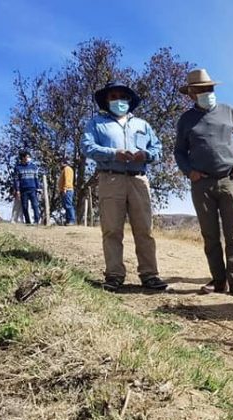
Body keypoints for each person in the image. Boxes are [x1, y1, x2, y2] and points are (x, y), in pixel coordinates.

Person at [174, 68, 233, 298]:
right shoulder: (185, 120)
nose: (207, 93)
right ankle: (219, 280)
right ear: (191, 94)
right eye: (201, 90)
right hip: (201, 185)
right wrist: (188, 171)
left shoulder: (228, 111)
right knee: (210, 235)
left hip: (230, 180)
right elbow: (179, 151)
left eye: (209, 88)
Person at [81, 81, 167, 292]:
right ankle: (114, 275)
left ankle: (150, 274)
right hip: (110, 179)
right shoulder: (96, 123)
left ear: (129, 100)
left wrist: (145, 155)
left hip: (139, 179)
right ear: (106, 100)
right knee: (111, 229)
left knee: (145, 229)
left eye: (122, 96)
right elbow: (87, 146)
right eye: (113, 96)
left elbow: (158, 149)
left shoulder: (143, 125)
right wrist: (114, 153)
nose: (118, 100)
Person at [12, 150, 42, 225]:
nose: (28, 158)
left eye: (29, 157)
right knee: (25, 207)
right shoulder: (18, 168)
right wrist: (17, 190)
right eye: (27, 157)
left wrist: (39, 188)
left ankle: (36, 220)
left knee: (35, 205)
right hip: (23, 190)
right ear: (22, 158)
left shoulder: (34, 167)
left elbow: (36, 178)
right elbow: (16, 180)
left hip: (33, 189)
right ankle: (28, 222)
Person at [58, 158, 76, 225]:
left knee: (68, 205)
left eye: (60, 163)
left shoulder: (67, 169)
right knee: (66, 205)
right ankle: (68, 220)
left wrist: (65, 188)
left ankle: (71, 220)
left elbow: (67, 180)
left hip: (67, 190)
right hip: (65, 190)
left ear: (63, 163)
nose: (60, 164)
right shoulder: (64, 170)